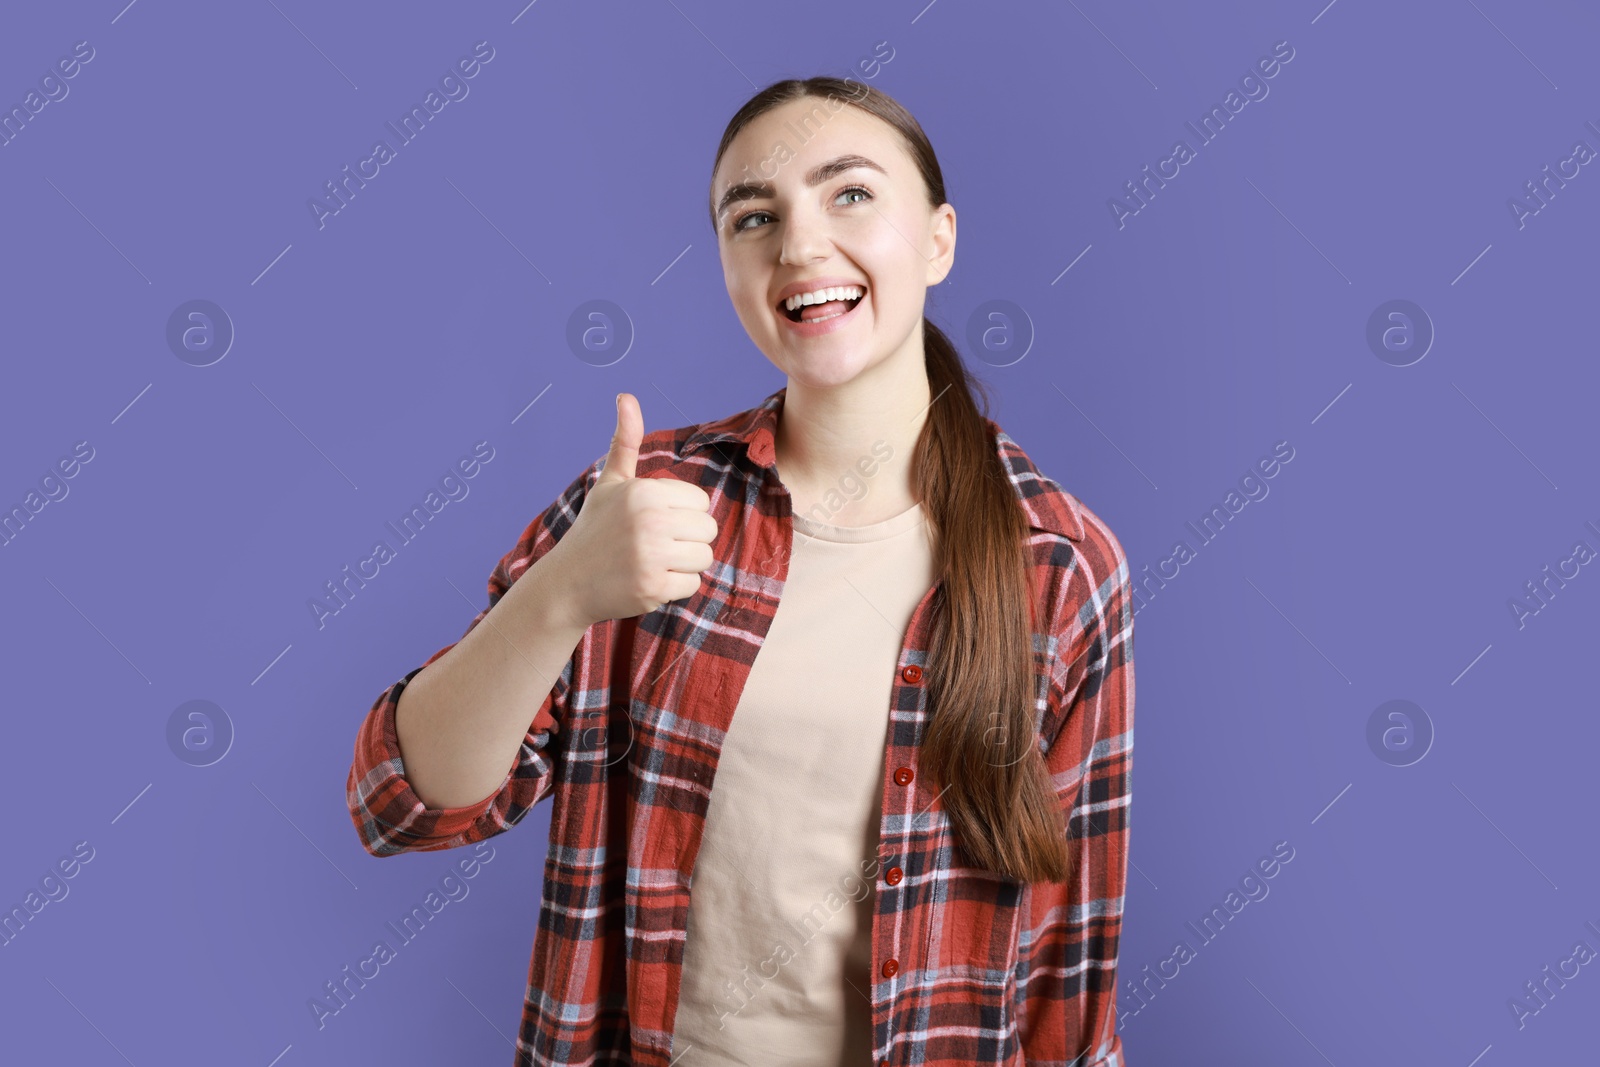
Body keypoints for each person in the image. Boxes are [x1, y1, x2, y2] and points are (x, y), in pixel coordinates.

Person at [347, 75, 1135, 1067]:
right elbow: (401, 801)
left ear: (937, 239)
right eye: (752, 216)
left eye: (848, 193)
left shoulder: (1060, 563)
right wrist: (557, 595)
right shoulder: (640, 509)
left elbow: (1071, 965)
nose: (799, 244)